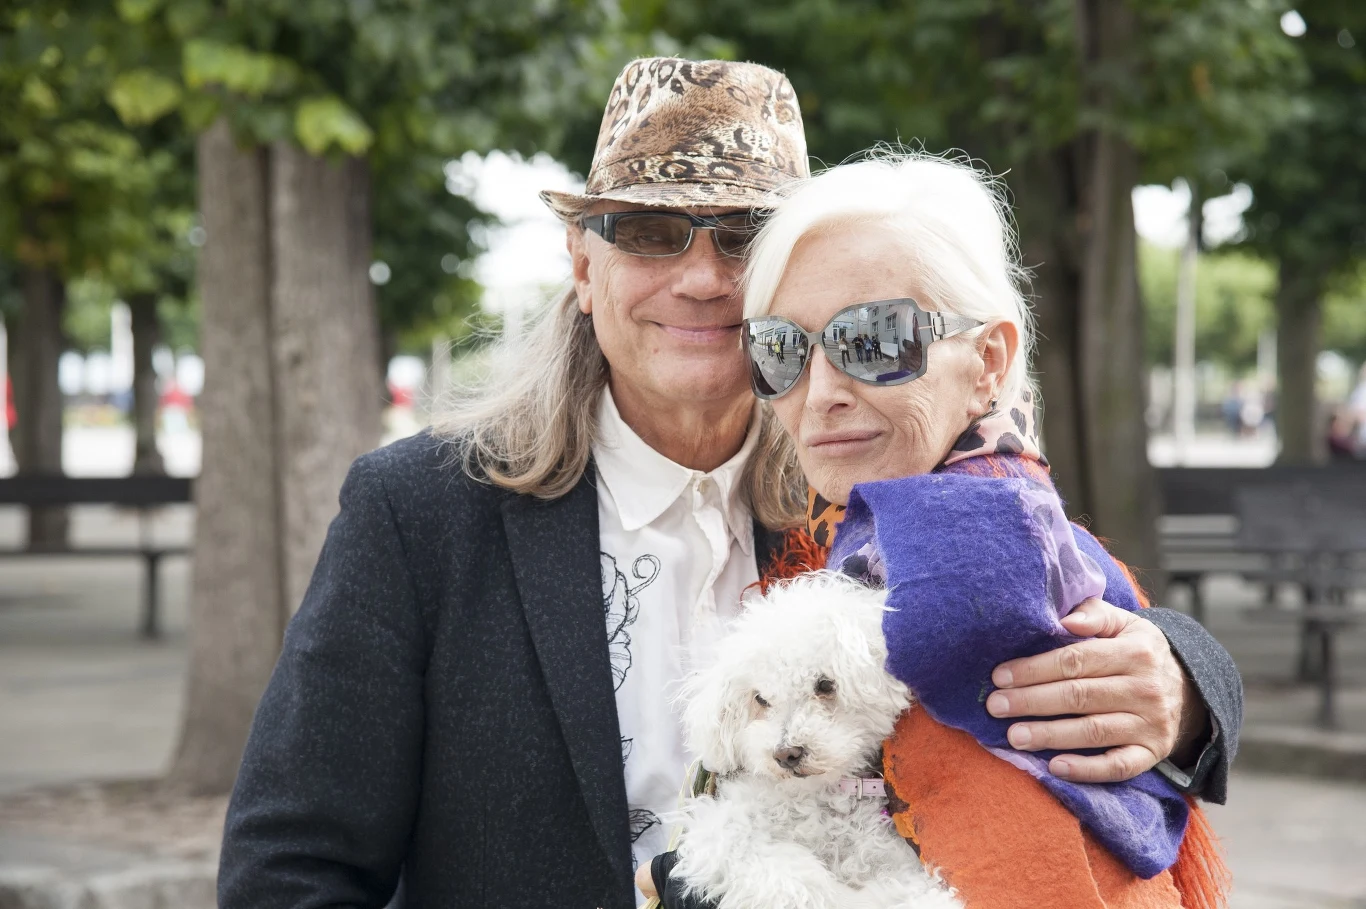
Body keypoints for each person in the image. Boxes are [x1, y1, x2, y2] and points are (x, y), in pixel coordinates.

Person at [219, 60, 1241, 909]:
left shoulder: (862, 474)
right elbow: (291, 868)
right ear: (583, 266)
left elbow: (1049, 583)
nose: (705, 277)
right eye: (649, 232)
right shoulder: (424, 511)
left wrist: (1185, 691)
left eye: (743, 234)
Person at [646, 153, 1240, 908]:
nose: (820, 393)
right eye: (781, 348)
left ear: (988, 360)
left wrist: (1188, 688)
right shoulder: (851, 513)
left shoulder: (986, 538)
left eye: (875, 339)